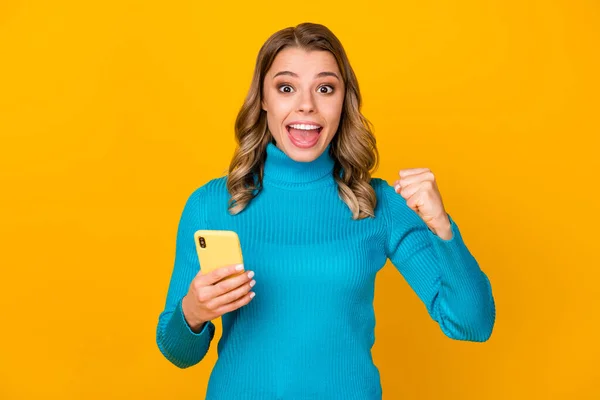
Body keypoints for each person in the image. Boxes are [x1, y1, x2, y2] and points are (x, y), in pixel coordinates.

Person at [156, 22, 496, 399]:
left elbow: (472, 323)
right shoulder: (211, 204)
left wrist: (441, 227)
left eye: (325, 88)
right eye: (286, 88)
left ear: (343, 99)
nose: (306, 105)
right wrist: (193, 313)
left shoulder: (378, 205)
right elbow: (179, 354)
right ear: (264, 99)